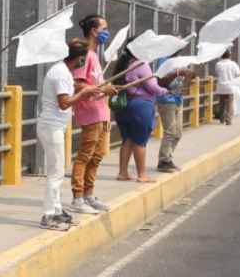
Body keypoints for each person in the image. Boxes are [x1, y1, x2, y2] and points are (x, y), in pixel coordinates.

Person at [36, 39, 100, 231]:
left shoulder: (62, 70)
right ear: (80, 58)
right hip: (52, 126)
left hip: (54, 126)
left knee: (57, 171)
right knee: (55, 173)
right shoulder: (61, 73)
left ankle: (57, 210)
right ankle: (49, 215)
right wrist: (83, 93)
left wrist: (87, 91)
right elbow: (64, 103)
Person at [113, 38, 192, 183]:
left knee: (127, 140)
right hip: (140, 107)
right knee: (140, 141)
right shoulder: (141, 65)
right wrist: (164, 91)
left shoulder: (124, 64)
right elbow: (152, 87)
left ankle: (122, 173)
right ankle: (142, 175)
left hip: (124, 106)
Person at [68, 14, 119, 215]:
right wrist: (100, 90)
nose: (107, 32)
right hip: (89, 111)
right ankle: (77, 197)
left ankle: (89, 194)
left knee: (97, 156)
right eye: (104, 28)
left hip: (101, 111)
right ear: (93, 31)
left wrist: (106, 89)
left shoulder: (95, 56)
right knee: (85, 156)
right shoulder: (85, 55)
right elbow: (76, 83)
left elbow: (95, 84)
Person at [155, 38, 199, 173]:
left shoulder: (180, 60)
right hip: (166, 99)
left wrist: (190, 77)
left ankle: (168, 159)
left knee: (178, 133)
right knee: (170, 131)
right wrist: (177, 73)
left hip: (178, 99)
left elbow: (181, 83)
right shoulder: (163, 59)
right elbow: (161, 81)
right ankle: (163, 161)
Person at [214, 50, 240, 126]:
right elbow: (238, 73)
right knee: (230, 103)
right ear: (229, 56)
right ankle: (228, 119)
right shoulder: (233, 64)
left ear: (222, 56)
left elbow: (217, 72)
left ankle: (222, 118)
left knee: (221, 103)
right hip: (230, 86)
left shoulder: (218, 64)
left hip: (221, 86)